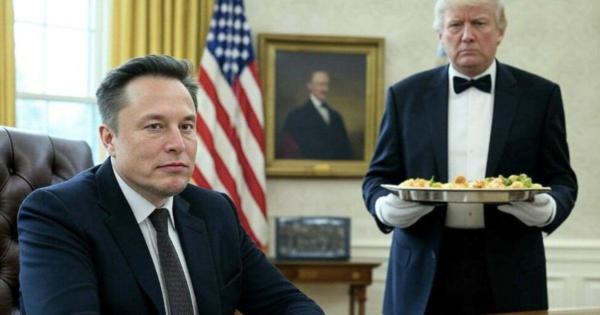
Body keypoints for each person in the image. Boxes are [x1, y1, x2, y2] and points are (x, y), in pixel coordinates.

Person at [18, 55, 324, 315]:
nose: (178, 144)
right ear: (110, 139)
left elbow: (287, 303)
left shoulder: (215, 211)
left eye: (187, 126)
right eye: (155, 126)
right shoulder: (58, 214)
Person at [362, 0, 577, 314]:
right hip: (422, 269)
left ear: (500, 31)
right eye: (454, 25)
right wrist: (385, 207)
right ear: (440, 34)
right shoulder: (405, 96)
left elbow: (561, 180)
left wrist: (548, 210)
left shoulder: (540, 96)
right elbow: (377, 178)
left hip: (510, 269)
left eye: (479, 23)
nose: (467, 35)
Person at [277, 70, 353, 160]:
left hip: (335, 170)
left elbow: (346, 150)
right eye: (320, 84)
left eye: (326, 85)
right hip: (304, 170)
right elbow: (287, 149)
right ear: (309, 86)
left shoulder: (336, 117)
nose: (325, 89)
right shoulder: (296, 116)